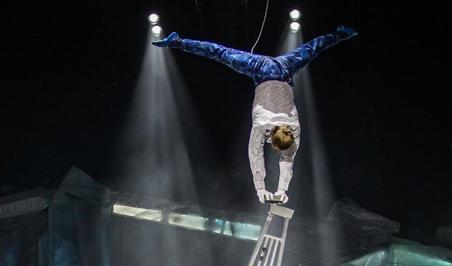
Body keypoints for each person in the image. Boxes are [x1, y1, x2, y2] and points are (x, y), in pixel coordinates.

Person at [152, 26, 357, 204]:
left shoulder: (293, 127)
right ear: (271, 138)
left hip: (285, 69)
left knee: (312, 49)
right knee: (220, 53)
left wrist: (280, 191)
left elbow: (283, 158)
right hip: (261, 71)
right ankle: (177, 42)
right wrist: (262, 189)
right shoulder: (262, 125)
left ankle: (340, 34)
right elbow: (257, 155)